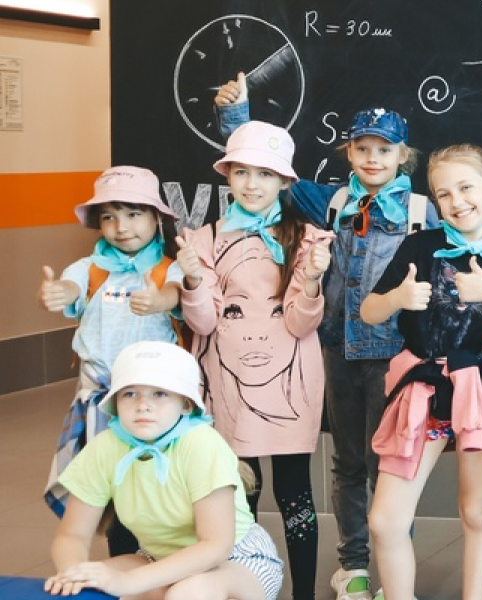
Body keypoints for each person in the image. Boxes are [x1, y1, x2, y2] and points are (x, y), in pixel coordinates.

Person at [215, 72, 436, 600]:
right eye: (362, 148)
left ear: (403, 156)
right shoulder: (331, 203)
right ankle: (353, 566)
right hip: (334, 350)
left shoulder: (421, 211)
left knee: (390, 468)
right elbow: (267, 173)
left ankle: (394, 574)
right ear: (349, 152)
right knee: (347, 464)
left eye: (385, 150)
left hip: (394, 356)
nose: (373, 158)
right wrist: (235, 117)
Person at [361, 144, 482, 600]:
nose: (457, 201)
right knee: (385, 520)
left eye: (466, 187)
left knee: (477, 512)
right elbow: (369, 311)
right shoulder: (420, 246)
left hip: (479, 393)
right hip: (422, 391)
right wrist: (397, 299)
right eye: (443, 194)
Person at [179, 120, 333, 600]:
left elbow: (301, 323)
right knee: (238, 495)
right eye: (242, 172)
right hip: (226, 387)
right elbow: (203, 322)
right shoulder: (204, 239)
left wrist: (311, 281)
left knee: (295, 497)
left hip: (290, 388)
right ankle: (237, 587)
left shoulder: (306, 238)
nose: (251, 184)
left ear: (284, 181)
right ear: (227, 175)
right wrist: (191, 281)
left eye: (265, 174)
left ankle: (303, 595)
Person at [44, 341, 284, 600]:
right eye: (129, 394)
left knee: (186, 593)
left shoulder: (201, 443)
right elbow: (72, 535)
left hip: (236, 559)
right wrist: (73, 574)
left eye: (159, 394)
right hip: (158, 558)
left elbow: (216, 546)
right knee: (91, 583)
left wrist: (128, 581)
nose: (142, 405)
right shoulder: (104, 447)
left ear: (186, 404)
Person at [40, 166, 185, 556]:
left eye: (134, 214)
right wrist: (58, 292)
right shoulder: (88, 269)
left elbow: (176, 293)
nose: (121, 227)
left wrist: (160, 300)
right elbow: (69, 286)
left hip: (153, 404)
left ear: (156, 218)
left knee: (153, 486)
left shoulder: (167, 268)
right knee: (111, 491)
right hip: (100, 404)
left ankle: (160, 561)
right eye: (109, 217)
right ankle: (120, 561)